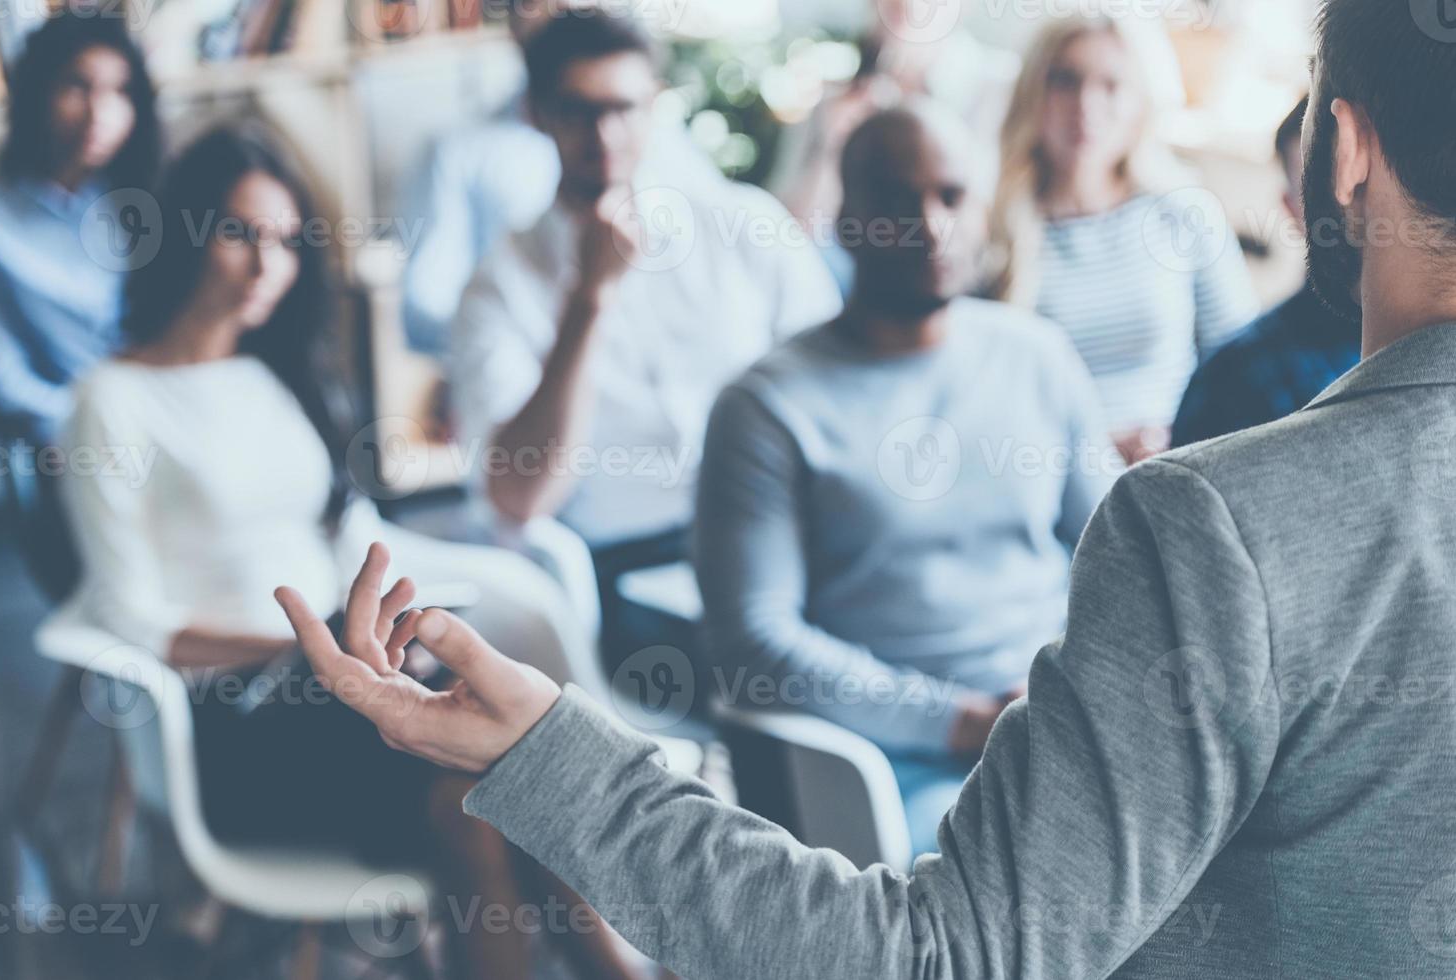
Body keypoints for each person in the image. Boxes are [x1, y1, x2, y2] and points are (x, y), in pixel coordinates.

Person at [277, 0, 1456, 975]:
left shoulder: (1200, 516)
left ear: (1338, 153)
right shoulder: (761, 395)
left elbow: (941, 957)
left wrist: (544, 744)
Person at [61, 125, 649, 980]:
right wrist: (314, 656)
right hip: (233, 723)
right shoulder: (110, 402)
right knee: (497, 778)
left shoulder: (277, 378)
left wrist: (379, 638)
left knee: (491, 787)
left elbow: (353, 540)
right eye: (238, 233)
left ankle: (621, 970)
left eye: (285, 240)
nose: (267, 265)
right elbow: (129, 618)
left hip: (354, 694)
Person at [696, 105, 1119, 857]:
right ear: (845, 217)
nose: (927, 224)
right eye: (895, 198)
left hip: (1065, 723)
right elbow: (753, 643)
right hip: (892, 766)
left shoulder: (1036, 357)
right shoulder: (765, 407)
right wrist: (959, 721)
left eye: (950, 196)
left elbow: (1120, 555)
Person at [450, 9, 841, 665]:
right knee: (774, 652)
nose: (603, 136)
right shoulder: (500, 286)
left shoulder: (741, 227)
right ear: (536, 114)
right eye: (577, 111)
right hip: (630, 566)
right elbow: (520, 497)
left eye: (623, 108)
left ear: (654, 106)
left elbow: (839, 387)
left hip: (778, 533)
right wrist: (588, 298)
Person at [988, 13, 1258, 463]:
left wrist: (1182, 439)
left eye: (1111, 84)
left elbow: (1244, 368)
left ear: (1141, 103)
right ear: (1033, 94)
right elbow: (982, 398)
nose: (1085, 105)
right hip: (1042, 473)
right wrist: (1095, 450)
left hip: (1176, 467)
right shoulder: (994, 230)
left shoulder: (1185, 215)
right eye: (1065, 81)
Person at [398, 4, 718, 356]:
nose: (604, 136)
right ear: (513, 25)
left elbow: (723, 249)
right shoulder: (460, 155)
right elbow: (423, 309)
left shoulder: (658, 134)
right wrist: (505, 339)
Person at [0, 13, 160, 446]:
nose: (99, 113)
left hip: (156, 416)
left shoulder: (143, 200)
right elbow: (2, 375)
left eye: (119, 92)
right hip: (60, 440)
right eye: (77, 86)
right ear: (38, 92)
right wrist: (95, 429)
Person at [770, 0, 1020, 293]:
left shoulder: (998, 86)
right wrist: (831, 150)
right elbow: (788, 239)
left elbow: (989, 224)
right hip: (847, 289)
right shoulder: (834, 98)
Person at [1170, 97, 1361, 446]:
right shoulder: (1234, 379)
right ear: (1292, 209)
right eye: (1321, 185)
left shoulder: (1434, 346)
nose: (1346, 200)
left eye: (1360, 176)